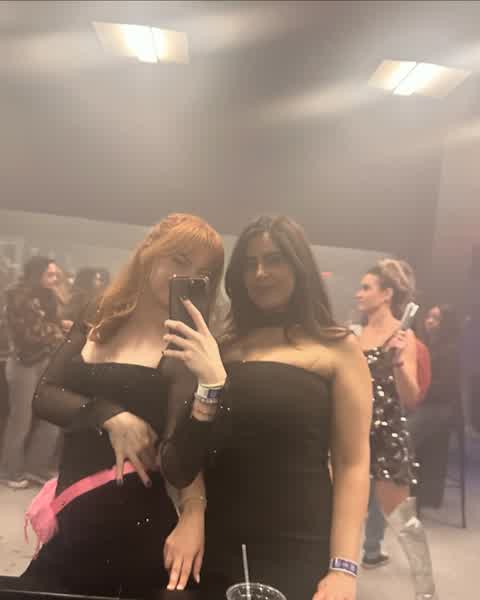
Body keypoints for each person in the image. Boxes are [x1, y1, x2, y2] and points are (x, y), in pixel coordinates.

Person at [164, 216, 372, 600]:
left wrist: (343, 567)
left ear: (299, 266)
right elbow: (192, 440)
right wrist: (192, 513)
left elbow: (353, 463)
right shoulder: (220, 346)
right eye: (250, 263)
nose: (260, 273)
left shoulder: (337, 348)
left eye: (274, 259)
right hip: (215, 534)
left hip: (297, 540)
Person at [21, 214, 226, 596]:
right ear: (149, 251)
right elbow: (44, 396)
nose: (186, 277)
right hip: (71, 517)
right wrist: (109, 415)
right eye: (179, 260)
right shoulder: (99, 314)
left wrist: (210, 387)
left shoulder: (184, 347)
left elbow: (177, 466)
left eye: (202, 273)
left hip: (134, 528)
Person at [355, 258, 437, 600]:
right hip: (353, 435)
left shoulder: (404, 336)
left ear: (386, 294)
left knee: (404, 522)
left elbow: (412, 397)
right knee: (336, 516)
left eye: (366, 288)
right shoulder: (355, 334)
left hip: (387, 435)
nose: (358, 294)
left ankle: (426, 593)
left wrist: (399, 361)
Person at [1, 257, 64, 489]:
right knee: (21, 420)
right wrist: (59, 331)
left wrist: (56, 328)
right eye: (50, 274)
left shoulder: (49, 296)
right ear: (36, 274)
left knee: (51, 417)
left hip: (45, 361)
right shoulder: (18, 295)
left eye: (55, 274)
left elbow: (49, 326)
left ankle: (36, 467)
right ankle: (10, 470)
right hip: (24, 364)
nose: (54, 279)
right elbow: (31, 333)